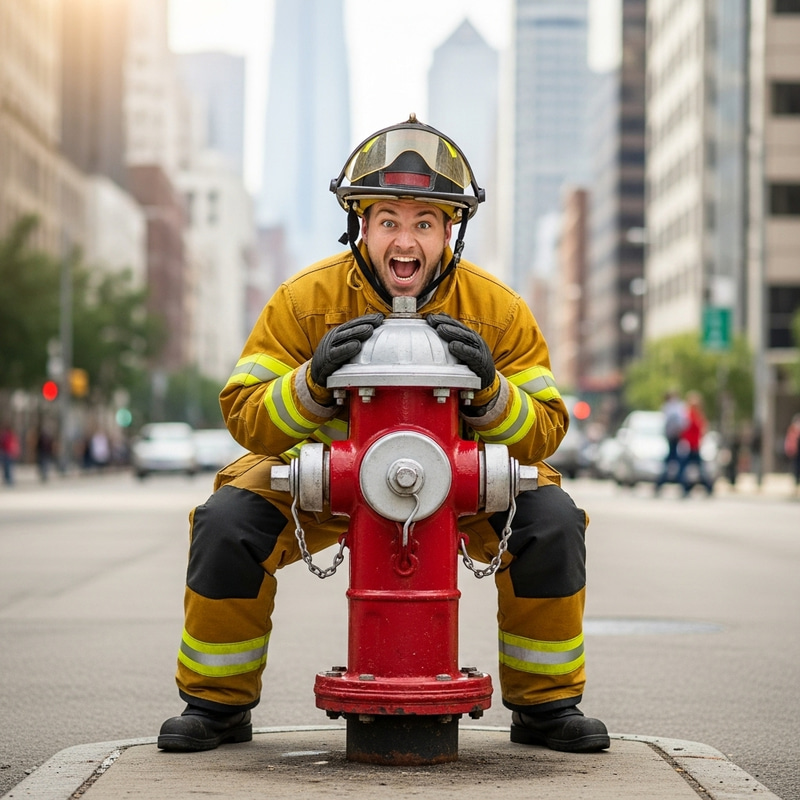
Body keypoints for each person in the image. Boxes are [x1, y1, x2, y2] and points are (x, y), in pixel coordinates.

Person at [158, 117, 609, 755]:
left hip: (459, 483)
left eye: (425, 222)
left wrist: (490, 392)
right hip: (321, 481)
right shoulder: (302, 303)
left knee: (552, 518)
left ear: (450, 232)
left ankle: (546, 705)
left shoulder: (498, 312)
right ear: (360, 227)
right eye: (389, 220)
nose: (406, 239)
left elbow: (546, 429)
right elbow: (244, 415)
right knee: (228, 520)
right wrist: (311, 383)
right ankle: (215, 704)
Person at [676, 391, 714, 496]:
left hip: (695, 445)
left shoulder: (698, 415)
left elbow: (703, 429)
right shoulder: (687, 415)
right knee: (685, 468)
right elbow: (683, 429)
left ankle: (706, 487)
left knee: (699, 468)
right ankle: (686, 488)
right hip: (688, 445)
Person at [654, 390, 686, 493]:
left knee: (672, 461)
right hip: (674, 437)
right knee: (673, 461)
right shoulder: (675, 407)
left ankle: (662, 484)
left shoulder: (673, 407)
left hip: (674, 437)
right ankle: (681, 485)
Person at [1, 422, 21, 486]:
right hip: (7, 453)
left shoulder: (9, 436)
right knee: (8, 467)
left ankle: (9, 479)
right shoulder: (8, 436)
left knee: (8, 467)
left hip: (8, 453)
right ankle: (8, 479)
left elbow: (14, 445)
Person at [784, 413, 800, 492]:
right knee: (795, 467)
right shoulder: (792, 430)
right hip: (795, 452)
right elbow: (790, 441)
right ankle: (796, 483)